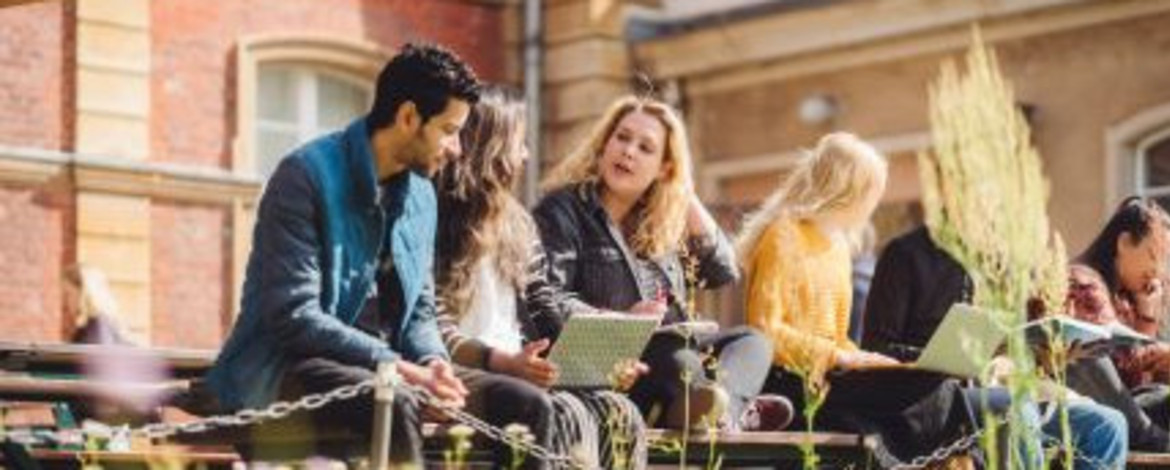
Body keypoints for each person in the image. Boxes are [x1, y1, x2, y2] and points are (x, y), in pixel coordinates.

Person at [205, 44, 555, 468]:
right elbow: (294, 315)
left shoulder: (422, 194)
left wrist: (434, 365)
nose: (458, 149)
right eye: (449, 130)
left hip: (393, 371)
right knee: (395, 399)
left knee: (529, 405)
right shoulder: (304, 175)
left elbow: (421, 312)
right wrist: (401, 369)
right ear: (409, 117)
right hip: (289, 366)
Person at [532, 95, 791, 431]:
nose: (628, 151)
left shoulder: (662, 220)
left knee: (753, 341)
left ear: (665, 167)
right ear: (605, 143)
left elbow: (723, 270)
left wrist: (684, 191)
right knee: (675, 355)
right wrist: (622, 320)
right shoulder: (562, 210)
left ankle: (723, 410)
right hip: (611, 362)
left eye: (645, 148)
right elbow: (548, 300)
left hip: (672, 355)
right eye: (622, 138)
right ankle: (734, 411)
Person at [433, 86, 647, 469]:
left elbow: (544, 307)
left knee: (619, 412)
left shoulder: (518, 224)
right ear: (492, 146)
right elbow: (434, 324)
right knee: (564, 412)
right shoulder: (435, 217)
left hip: (518, 368)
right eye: (520, 143)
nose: (527, 154)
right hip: (470, 371)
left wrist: (603, 361)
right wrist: (505, 362)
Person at [738, 132, 979, 465]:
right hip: (791, 382)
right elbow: (764, 330)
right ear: (847, 189)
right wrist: (838, 356)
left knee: (935, 384)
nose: (874, 204)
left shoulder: (839, 245)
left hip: (832, 377)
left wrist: (871, 361)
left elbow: (838, 339)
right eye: (871, 193)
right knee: (920, 399)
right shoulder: (784, 234)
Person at [863, 225, 1129, 467]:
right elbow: (877, 348)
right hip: (935, 400)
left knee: (1108, 425)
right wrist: (947, 358)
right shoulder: (905, 254)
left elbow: (1012, 348)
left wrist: (1049, 356)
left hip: (1001, 391)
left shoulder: (1003, 264)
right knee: (1015, 408)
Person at [1065, 196, 1170, 450]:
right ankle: (1151, 439)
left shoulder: (1127, 297)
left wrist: (1147, 317)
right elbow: (1102, 369)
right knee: (1089, 350)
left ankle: (1152, 437)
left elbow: (1136, 376)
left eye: (1165, 261)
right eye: (1153, 255)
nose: (1158, 270)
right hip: (1083, 407)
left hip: (1126, 408)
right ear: (1124, 243)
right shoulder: (1083, 282)